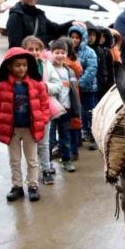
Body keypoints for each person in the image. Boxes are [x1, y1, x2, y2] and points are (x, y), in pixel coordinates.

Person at [0, 47, 50, 202]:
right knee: (14, 160)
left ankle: (33, 185)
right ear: (9, 66)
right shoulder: (1, 86)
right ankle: (17, 186)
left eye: (24, 65)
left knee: (32, 160)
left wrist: (43, 119)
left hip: (30, 129)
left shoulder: (37, 85)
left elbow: (45, 104)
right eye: (17, 65)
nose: (21, 68)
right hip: (12, 130)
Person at [22, 36, 61, 185]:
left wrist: (45, 87)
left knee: (44, 143)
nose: (34, 52)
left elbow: (58, 85)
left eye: (37, 49)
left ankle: (46, 169)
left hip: (44, 109)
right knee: (29, 143)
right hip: (25, 111)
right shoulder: (20, 66)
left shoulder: (46, 66)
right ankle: (32, 172)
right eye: (30, 49)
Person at [5, 0, 74, 48]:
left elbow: (55, 30)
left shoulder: (39, 15)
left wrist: (71, 23)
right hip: (28, 58)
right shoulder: (15, 16)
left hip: (42, 56)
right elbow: (15, 44)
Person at [49, 39, 78, 173]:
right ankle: (47, 163)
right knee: (49, 139)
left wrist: (75, 108)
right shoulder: (47, 69)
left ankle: (67, 160)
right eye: (56, 52)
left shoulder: (69, 71)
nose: (60, 55)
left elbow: (73, 91)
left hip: (65, 109)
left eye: (62, 52)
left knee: (65, 136)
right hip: (50, 110)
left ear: (66, 54)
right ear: (51, 53)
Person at [68, 25, 98, 148]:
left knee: (90, 112)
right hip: (73, 90)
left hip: (88, 88)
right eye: (72, 37)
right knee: (77, 113)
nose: (74, 40)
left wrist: (80, 83)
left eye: (77, 37)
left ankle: (93, 135)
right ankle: (80, 135)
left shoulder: (89, 52)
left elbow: (92, 69)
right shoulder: (68, 51)